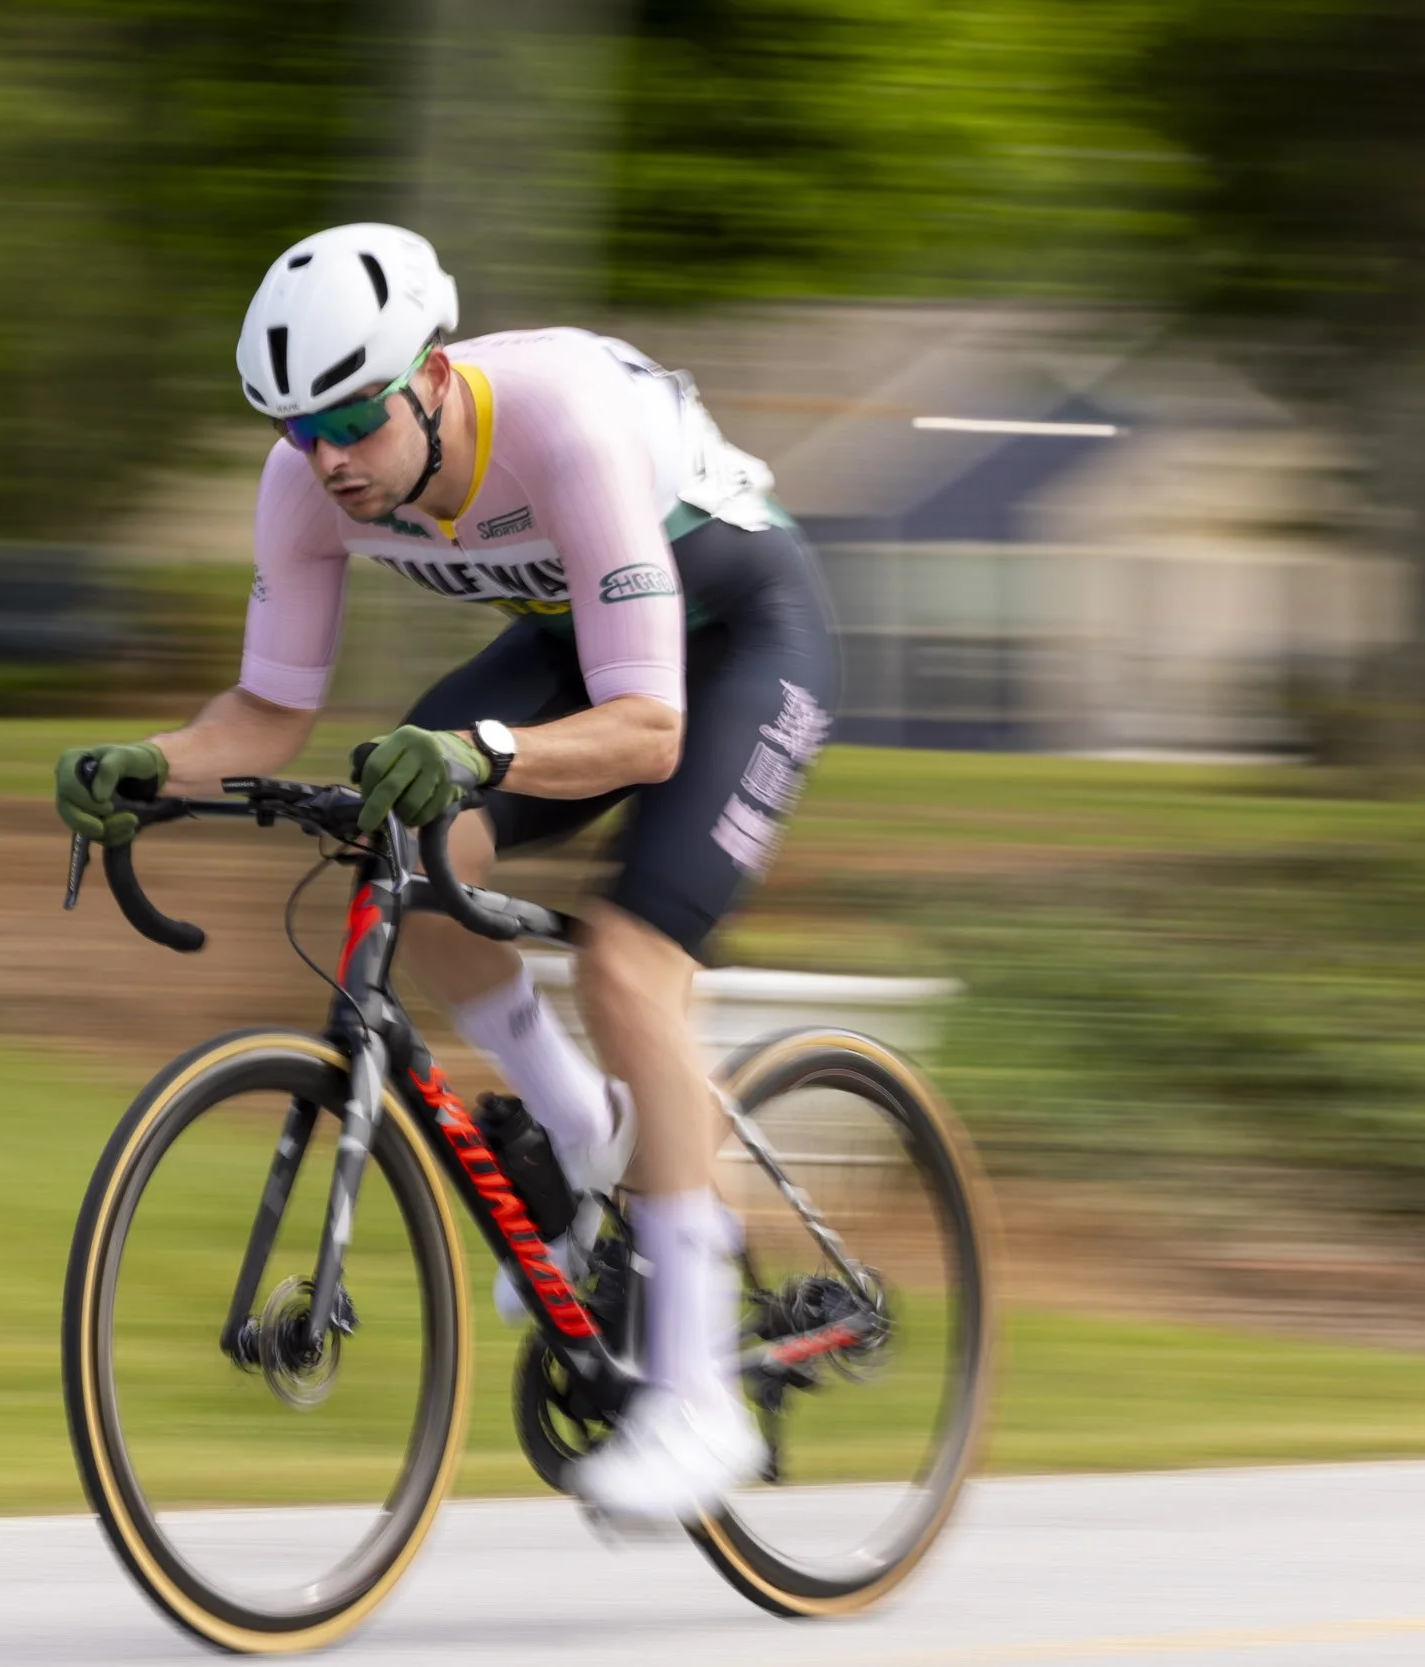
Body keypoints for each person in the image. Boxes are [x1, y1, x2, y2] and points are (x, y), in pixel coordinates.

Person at [53, 224, 837, 1522]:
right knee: (396, 842)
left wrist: (484, 743)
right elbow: (263, 712)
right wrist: (145, 765)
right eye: (301, 429)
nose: (332, 458)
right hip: (582, 649)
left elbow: (651, 726)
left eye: (355, 415)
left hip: (742, 642)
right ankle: (581, 1125)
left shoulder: (561, 416)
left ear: (428, 372)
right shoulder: (306, 477)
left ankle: (698, 1394)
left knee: (629, 963)